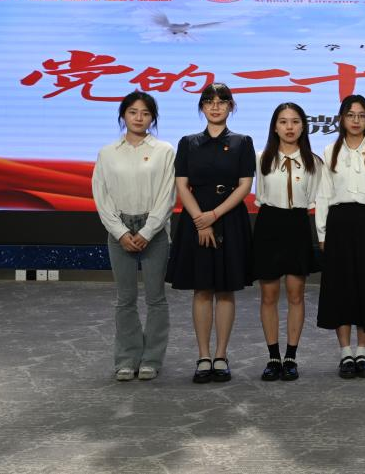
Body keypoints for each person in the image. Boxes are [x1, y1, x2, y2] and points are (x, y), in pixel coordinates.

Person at [167, 83, 256, 384]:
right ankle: (203, 356)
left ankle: (221, 355)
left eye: (222, 101)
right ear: (202, 107)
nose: (215, 107)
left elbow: (245, 185)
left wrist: (214, 216)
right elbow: (182, 184)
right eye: (209, 102)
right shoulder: (188, 143)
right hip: (196, 218)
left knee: (225, 289)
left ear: (231, 106)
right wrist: (200, 221)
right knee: (202, 288)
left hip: (229, 218)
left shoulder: (243, 142)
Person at [92, 91, 175, 381]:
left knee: (156, 298)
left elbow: (168, 195)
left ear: (153, 118)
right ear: (123, 115)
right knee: (125, 299)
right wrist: (120, 232)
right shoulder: (107, 153)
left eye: (146, 113)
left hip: (155, 229)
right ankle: (127, 358)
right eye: (133, 112)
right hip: (120, 229)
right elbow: (101, 196)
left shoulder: (165, 150)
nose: (139, 118)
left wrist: (148, 230)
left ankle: (151, 359)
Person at [315, 95, 365, 379]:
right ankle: (345, 353)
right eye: (351, 115)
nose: (356, 120)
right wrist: (322, 232)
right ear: (341, 119)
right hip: (339, 224)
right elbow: (323, 193)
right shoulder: (330, 150)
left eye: (361, 115)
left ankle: (362, 352)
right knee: (341, 288)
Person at [253, 102, 323, 382]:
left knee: (296, 294)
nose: (289, 127)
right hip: (268, 225)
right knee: (268, 295)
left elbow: (316, 200)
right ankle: (273, 357)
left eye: (295, 121)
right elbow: (259, 194)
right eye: (283, 121)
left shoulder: (314, 162)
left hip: (298, 226)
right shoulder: (262, 158)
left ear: (303, 126)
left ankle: (291, 357)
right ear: (275, 127)